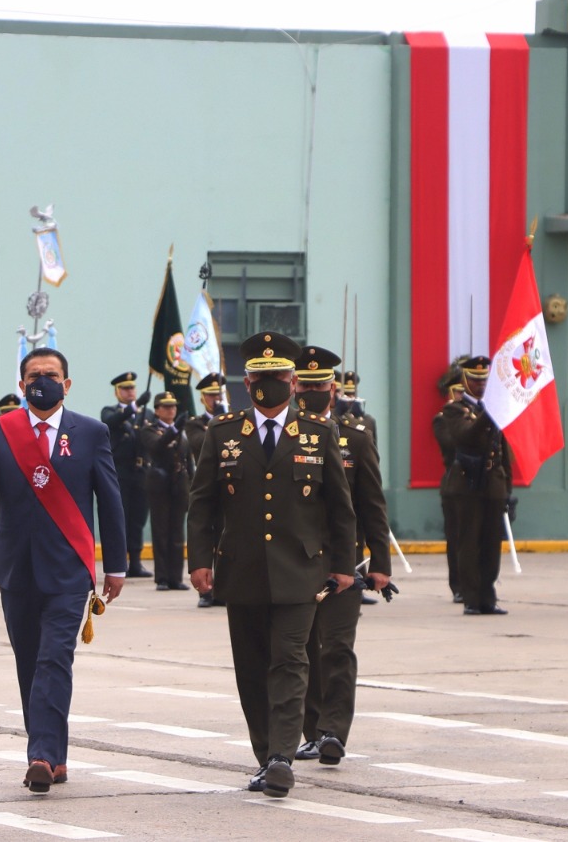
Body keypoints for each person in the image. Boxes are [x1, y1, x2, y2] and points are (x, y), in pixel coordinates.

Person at [186, 332, 356, 798]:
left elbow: (340, 509)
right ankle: (266, 755)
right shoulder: (223, 434)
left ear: (294, 380)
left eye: (278, 376)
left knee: (290, 661)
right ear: (247, 380)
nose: (269, 384)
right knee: (252, 668)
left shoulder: (318, 435)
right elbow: (202, 504)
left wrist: (344, 565)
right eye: (260, 377)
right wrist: (199, 560)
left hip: (300, 572)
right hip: (240, 571)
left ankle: (282, 757)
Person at [0, 347, 126, 795]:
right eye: (33, 375)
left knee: (55, 659)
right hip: (16, 568)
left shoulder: (90, 432)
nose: (42, 382)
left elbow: (109, 501)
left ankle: (41, 757)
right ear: (21, 383)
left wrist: (118, 565)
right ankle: (56, 755)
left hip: (69, 570)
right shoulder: (1, 431)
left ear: (66, 385)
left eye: (50, 375)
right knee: (30, 664)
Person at [290, 346, 391, 767]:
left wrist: (381, 562)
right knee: (304, 650)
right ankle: (313, 730)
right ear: (295, 387)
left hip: (344, 562)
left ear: (334, 390)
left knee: (337, 647)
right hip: (294, 561)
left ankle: (332, 732)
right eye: (307, 385)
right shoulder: (283, 435)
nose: (314, 392)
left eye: (321, 385)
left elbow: (372, 503)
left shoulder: (354, 437)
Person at [442, 356, 511, 615]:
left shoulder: (492, 409)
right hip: (468, 484)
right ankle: (471, 597)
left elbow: (502, 449)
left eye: (484, 380)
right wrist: (490, 412)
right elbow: (465, 435)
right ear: (464, 380)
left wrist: (508, 488)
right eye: (474, 379)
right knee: (469, 542)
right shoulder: (455, 409)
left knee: (492, 543)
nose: (480, 384)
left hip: (493, 484)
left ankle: (488, 597)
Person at [100, 372, 153, 578]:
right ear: (117, 392)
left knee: (138, 519)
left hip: (140, 472)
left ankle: (136, 563)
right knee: (121, 518)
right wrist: (135, 405)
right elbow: (112, 422)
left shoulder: (146, 415)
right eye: (125, 389)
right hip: (119, 472)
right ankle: (120, 562)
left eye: (132, 388)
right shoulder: (110, 411)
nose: (130, 392)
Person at [184, 373, 227, 606]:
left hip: (228, 486)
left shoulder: (231, 420)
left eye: (217, 394)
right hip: (205, 484)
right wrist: (217, 424)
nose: (214, 399)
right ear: (202, 398)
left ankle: (222, 588)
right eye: (210, 395)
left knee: (225, 537)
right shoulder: (195, 423)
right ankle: (204, 591)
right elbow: (198, 444)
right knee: (203, 534)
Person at [141, 391, 191, 591]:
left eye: (173, 406)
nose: (171, 410)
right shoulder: (149, 429)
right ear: (157, 410)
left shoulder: (182, 430)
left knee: (177, 531)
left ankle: (176, 577)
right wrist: (175, 428)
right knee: (161, 530)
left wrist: (192, 484)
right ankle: (162, 577)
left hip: (179, 484)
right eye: (166, 407)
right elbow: (157, 447)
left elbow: (188, 459)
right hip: (160, 484)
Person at [432, 363, 466, 603]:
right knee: (456, 538)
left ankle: (478, 583)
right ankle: (458, 585)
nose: (461, 397)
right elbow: (452, 445)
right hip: (455, 481)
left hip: (479, 482)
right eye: (458, 392)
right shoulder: (443, 419)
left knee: (477, 538)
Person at [334, 370, 378, 444]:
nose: (350, 399)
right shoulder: (335, 416)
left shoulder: (368, 421)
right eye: (346, 395)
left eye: (353, 395)